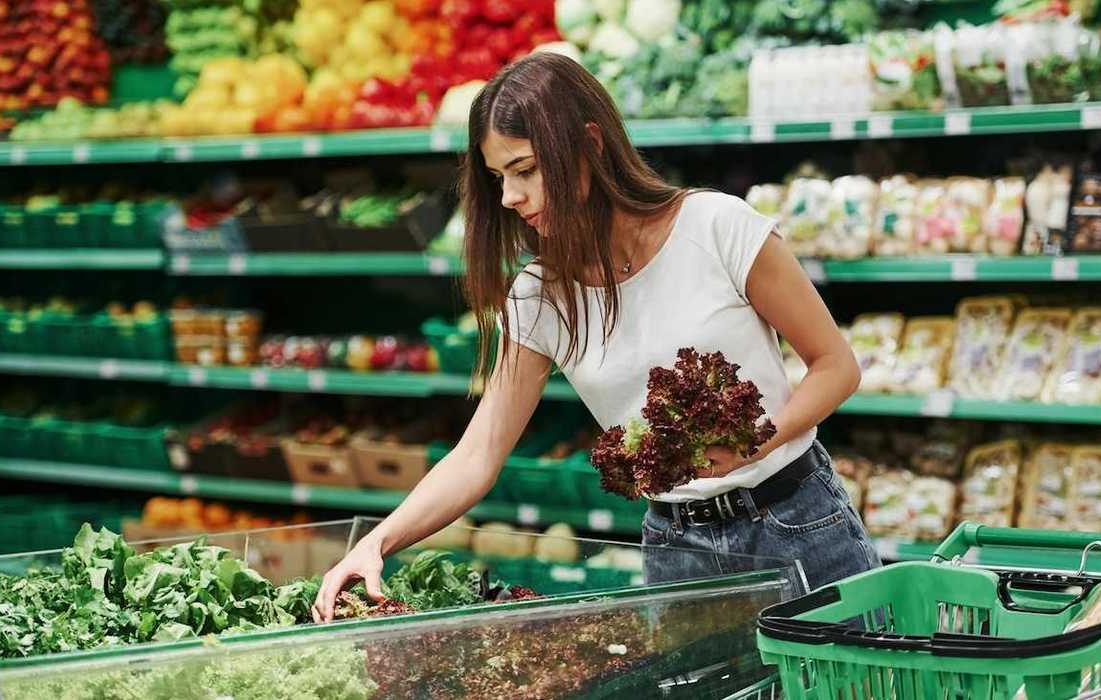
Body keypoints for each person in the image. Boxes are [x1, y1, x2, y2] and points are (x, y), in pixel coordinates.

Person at [312, 52, 878, 622]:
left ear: (589, 145)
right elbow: (478, 453)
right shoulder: (540, 296)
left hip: (796, 522)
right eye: (498, 177)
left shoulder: (717, 227)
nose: (508, 198)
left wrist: (752, 442)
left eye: (525, 170)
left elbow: (836, 365)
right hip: (676, 551)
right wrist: (376, 543)